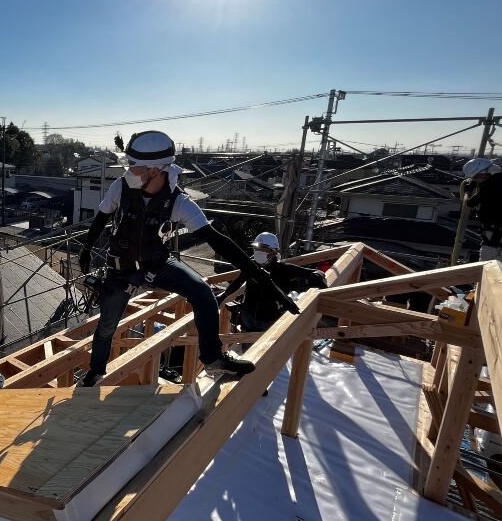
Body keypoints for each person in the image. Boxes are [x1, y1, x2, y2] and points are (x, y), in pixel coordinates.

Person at [78, 131, 297, 387]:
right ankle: (96, 370)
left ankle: (213, 359)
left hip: (157, 265)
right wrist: (86, 248)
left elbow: (216, 239)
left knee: (203, 293)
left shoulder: (178, 202)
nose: (130, 171)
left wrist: (261, 276)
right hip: (121, 267)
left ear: (156, 171)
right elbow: (102, 217)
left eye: (135, 167)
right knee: (106, 326)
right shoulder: (121, 188)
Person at [216, 232, 327, 332]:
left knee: (264, 348)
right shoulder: (251, 266)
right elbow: (238, 281)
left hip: (268, 320)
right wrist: (223, 296)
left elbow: (316, 272)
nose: (258, 252)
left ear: (274, 251)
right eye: (256, 248)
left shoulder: (283, 269)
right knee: (247, 346)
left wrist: (317, 276)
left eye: (263, 248)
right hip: (247, 316)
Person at [462, 157, 502, 264]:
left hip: (495, 234)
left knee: (487, 265)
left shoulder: (488, 186)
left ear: (484, 172)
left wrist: (468, 191)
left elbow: (469, 203)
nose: (476, 180)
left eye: (476, 177)